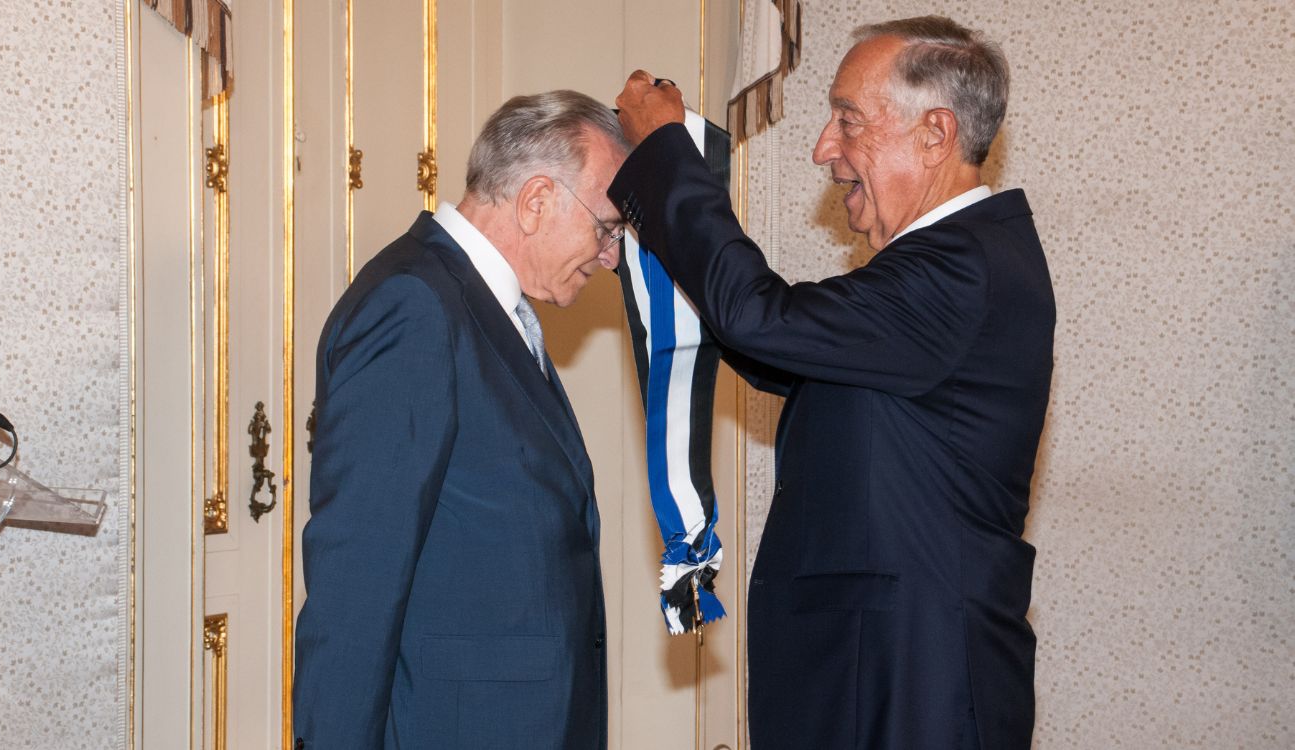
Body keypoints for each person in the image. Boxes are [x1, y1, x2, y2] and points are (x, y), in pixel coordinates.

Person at [610, 16, 1054, 750]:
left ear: (934, 133)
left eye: (847, 120)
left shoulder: (962, 268)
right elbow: (779, 349)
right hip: (881, 668)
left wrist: (665, 154)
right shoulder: (958, 259)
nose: (824, 149)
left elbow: (760, 318)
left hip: (912, 681)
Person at [293, 90, 628, 750]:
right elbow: (357, 578)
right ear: (536, 201)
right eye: (606, 226)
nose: (611, 255)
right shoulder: (414, 306)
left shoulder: (489, 306)